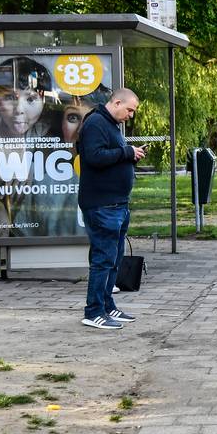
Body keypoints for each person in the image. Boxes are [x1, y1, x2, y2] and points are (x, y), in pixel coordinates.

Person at [77, 88, 146, 330]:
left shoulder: (111, 125)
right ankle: (93, 311)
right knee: (103, 259)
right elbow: (94, 157)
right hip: (102, 205)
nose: (130, 115)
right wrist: (127, 152)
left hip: (116, 204)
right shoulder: (96, 123)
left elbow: (110, 156)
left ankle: (107, 305)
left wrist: (130, 156)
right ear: (117, 102)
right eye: (129, 110)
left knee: (114, 259)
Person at [0, 56, 56, 237]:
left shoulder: (45, 126)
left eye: (30, 99)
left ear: (44, 101)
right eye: (10, 97)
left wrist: (30, 166)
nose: (19, 110)